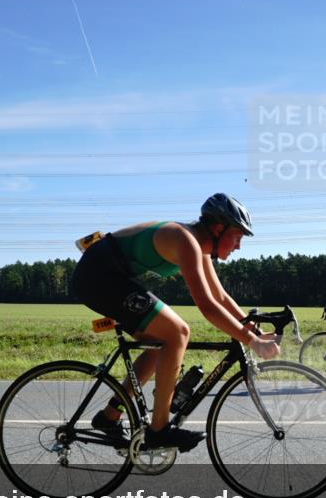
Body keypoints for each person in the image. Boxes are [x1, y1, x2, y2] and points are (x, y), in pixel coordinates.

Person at [70, 193, 280, 451]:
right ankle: (159, 430)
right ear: (218, 228)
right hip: (98, 276)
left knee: (161, 344)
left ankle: (110, 416)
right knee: (177, 332)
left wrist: (254, 331)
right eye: (237, 237)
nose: (238, 246)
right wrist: (252, 341)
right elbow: (208, 306)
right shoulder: (186, 240)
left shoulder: (199, 246)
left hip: (109, 275)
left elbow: (220, 296)